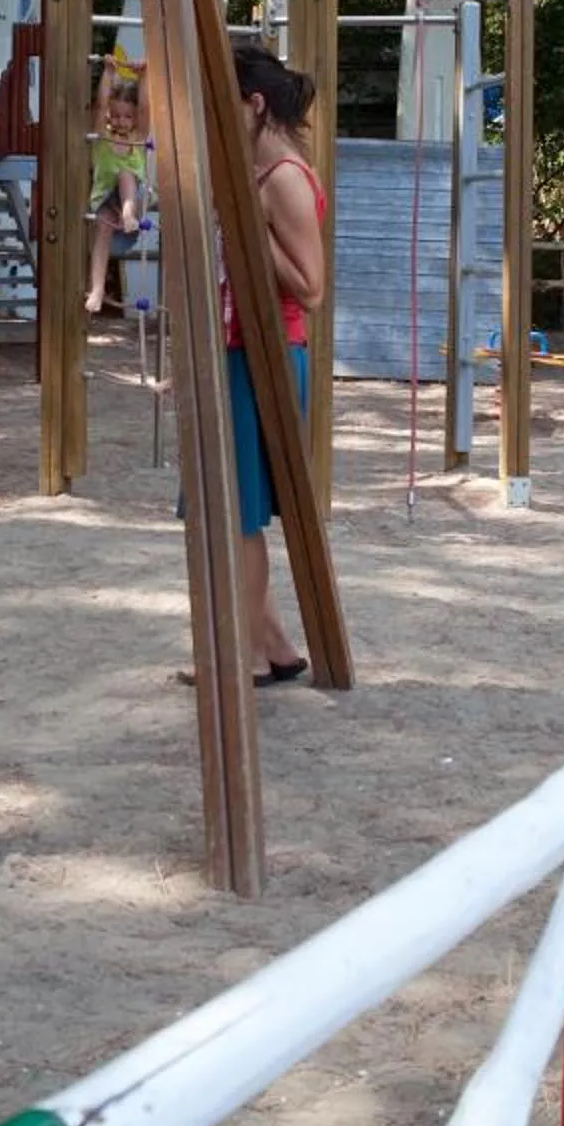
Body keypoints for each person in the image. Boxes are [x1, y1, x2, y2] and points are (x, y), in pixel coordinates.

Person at [221, 39, 328, 686]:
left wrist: (254, 231)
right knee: (221, 508)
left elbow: (311, 289)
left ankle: (245, 656)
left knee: (238, 515)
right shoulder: (255, 177)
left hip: (268, 352)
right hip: (238, 347)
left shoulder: (283, 178)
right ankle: (277, 649)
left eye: (222, 105)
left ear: (255, 106)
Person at [84, 68, 153, 316]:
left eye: (127, 116)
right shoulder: (102, 137)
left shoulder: (138, 137)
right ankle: (98, 289)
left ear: (134, 119)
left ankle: (127, 213)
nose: (121, 121)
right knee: (101, 228)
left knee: (125, 175)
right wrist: (108, 72)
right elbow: (101, 104)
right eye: (116, 115)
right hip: (107, 205)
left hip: (133, 207)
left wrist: (143, 76)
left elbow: (145, 108)